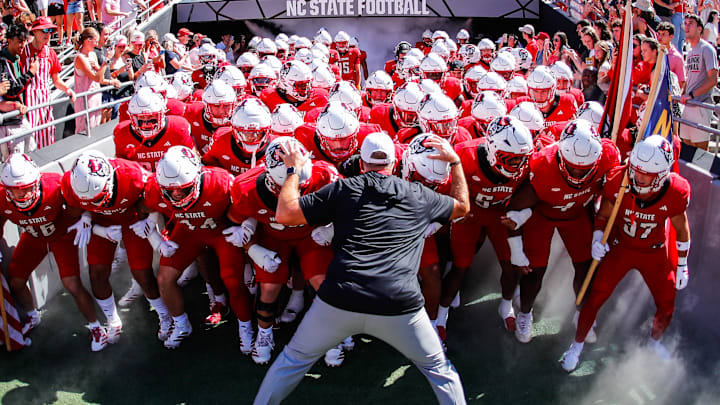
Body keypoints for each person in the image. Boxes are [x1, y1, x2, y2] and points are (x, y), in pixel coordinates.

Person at [253, 131, 469, 405]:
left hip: (341, 299)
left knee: (292, 360)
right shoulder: (418, 194)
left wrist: (293, 170)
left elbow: (285, 214)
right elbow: (462, 207)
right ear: (394, 163)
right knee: (440, 370)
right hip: (398, 304)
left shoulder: (343, 189)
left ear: (362, 163)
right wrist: (455, 163)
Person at [560, 135, 691, 372]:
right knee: (596, 296)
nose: (637, 177)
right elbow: (603, 216)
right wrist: (598, 237)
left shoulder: (676, 191)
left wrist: (682, 263)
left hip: (654, 252)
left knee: (667, 302)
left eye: (645, 174)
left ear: (661, 174)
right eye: (636, 169)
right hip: (621, 247)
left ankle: (654, 342)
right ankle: (576, 345)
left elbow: (681, 229)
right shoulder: (619, 179)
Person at [1, 153, 108, 351]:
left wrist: (85, 217)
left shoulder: (55, 185)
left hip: (61, 236)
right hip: (34, 238)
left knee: (72, 284)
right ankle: (33, 315)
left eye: (26, 188)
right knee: (16, 281)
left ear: (37, 181)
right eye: (16, 191)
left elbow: (82, 199)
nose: (23, 195)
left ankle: (96, 326)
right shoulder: (2, 199)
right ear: (7, 190)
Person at [21, 17, 75, 149]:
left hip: (45, 100)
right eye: (44, 30)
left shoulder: (50, 53)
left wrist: (68, 90)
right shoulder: (23, 52)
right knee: (30, 139)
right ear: (35, 32)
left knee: (47, 134)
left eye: (50, 30)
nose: (48, 34)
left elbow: (56, 80)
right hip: (27, 102)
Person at [680, 14, 718, 150]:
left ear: (700, 29)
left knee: (699, 151)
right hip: (688, 105)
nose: (687, 26)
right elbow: (689, 77)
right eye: (685, 23)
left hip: (700, 105)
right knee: (686, 147)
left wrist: (692, 95)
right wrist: (682, 93)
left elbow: (713, 79)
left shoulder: (707, 49)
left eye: (691, 23)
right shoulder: (690, 52)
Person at [73, 27, 118, 134]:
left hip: (96, 95)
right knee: (85, 129)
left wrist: (111, 80)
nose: (97, 44)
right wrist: (106, 61)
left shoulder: (93, 55)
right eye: (96, 41)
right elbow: (96, 77)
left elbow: (100, 77)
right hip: (85, 99)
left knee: (96, 127)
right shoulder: (80, 58)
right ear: (88, 41)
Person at [0, 23, 36, 158]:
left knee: (31, 152)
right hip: (10, 122)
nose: (23, 45)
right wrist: (31, 73)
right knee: (15, 161)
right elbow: (11, 91)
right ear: (9, 41)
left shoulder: (15, 59)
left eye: (25, 41)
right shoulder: (3, 61)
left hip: (19, 116)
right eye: (19, 42)